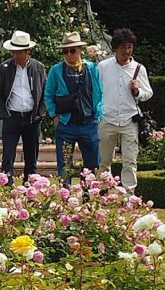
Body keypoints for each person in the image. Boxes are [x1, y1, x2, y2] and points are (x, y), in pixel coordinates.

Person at [97, 27, 153, 191]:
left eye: (129, 47)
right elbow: (95, 91)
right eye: (122, 47)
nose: (126, 51)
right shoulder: (103, 66)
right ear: (115, 48)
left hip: (130, 120)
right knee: (104, 161)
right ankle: (103, 194)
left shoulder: (138, 68)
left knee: (129, 161)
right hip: (107, 119)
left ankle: (129, 197)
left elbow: (148, 93)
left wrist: (137, 91)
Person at [44, 31, 103, 178]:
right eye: (65, 51)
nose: (69, 54)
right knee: (64, 166)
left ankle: (89, 195)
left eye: (72, 50)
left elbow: (100, 93)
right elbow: (48, 95)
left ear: (79, 50)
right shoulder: (56, 70)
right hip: (66, 124)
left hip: (89, 123)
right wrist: (54, 115)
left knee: (93, 164)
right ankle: (65, 197)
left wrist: (98, 115)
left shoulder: (91, 68)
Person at [0, 29, 45, 181]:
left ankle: (30, 188)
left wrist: (40, 113)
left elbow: (45, 93)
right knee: (8, 156)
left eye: (19, 52)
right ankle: (7, 187)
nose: (16, 55)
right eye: (13, 52)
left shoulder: (38, 67)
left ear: (28, 50)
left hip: (31, 118)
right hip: (12, 117)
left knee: (31, 157)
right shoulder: (5, 67)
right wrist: (4, 114)